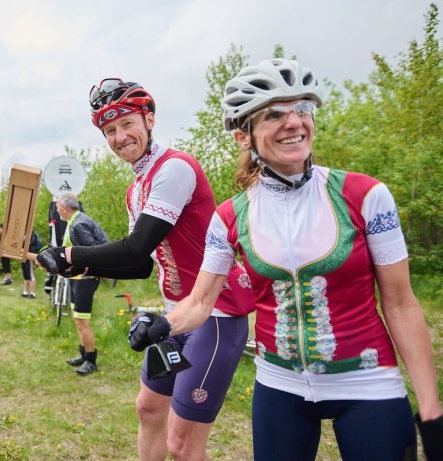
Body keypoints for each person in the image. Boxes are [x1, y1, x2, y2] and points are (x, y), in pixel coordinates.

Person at [127, 58, 443, 461]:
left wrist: (432, 410)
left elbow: (400, 304)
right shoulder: (230, 215)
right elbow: (202, 301)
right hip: (280, 385)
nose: (294, 122)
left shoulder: (366, 196)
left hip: (367, 382)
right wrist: (164, 324)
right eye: (275, 114)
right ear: (244, 137)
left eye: (303, 109)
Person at [37, 78, 254, 459]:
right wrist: (75, 270)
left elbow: (136, 245)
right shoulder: (135, 188)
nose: (119, 137)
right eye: (109, 131)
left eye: (127, 124)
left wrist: (70, 255)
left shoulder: (175, 168)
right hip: (176, 313)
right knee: (149, 408)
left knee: (182, 443)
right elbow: (139, 263)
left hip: (216, 312)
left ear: (149, 120)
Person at [54, 192, 109, 375]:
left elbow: (93, 252)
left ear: (64, 207)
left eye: (57, 206)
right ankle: (83, 353)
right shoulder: (73, 221)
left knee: (82, 321)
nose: (56, 209)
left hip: (85, 279)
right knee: (78, 319)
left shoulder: (79, 224)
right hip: (75, 278)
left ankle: (91, 361)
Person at [21, 229, 42, 299]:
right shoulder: (23, 232)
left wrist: (25, 239)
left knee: (31, 274)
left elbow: (31, 244)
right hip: (23, 256)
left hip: (29, 256)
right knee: (25, 274)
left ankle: (33, 293)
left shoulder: (32, 234)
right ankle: (25, 292)